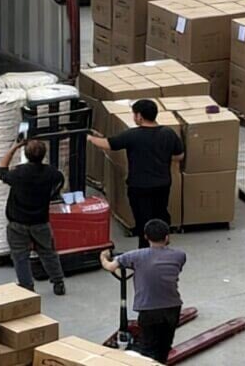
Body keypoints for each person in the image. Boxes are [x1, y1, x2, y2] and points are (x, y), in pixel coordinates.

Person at [87, 99, 184, 247]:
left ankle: (145, 249)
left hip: (140, 186)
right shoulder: (168, 133)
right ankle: (162, 242)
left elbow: (108, 144)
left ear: (139, 116)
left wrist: (89, 137)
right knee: (160, 213)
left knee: (143, 219)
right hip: (162, 183)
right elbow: (179, 156)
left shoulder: (133, 135)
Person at [100, 219, 186, 364]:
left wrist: (103, 256)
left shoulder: (134, 256)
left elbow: (110, 266)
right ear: (167, 237)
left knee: (148, 348)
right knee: (164, 346)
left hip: (149, 310)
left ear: (145, 237)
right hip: (173, 307)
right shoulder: (179, 255)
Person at [0, 139, 67, 296]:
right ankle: (58, 282)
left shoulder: (18, 174)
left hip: (17, 223)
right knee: (48, 252)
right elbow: (60, 181)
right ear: (43, 155)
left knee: (20, 256)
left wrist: (14, 147)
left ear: (26, 155)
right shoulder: (51, 173)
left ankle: (27, 287)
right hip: (40, 222)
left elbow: (0, 170)